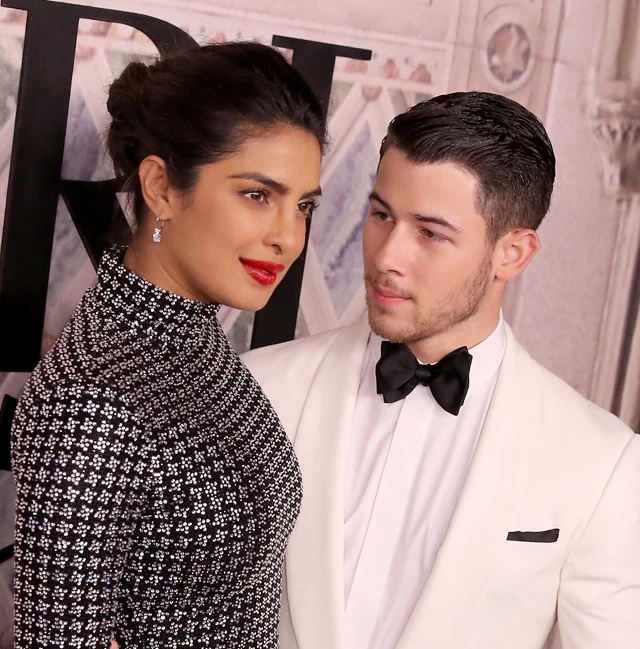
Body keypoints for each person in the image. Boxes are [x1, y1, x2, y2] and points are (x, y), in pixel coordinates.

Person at [242, 91, 640, 649]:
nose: (387, 256)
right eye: (382, 215)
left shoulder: (602, 462)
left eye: (431, 233)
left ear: (513, 254)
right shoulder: (258, 388)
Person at [11, 41, 325, 648]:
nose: (288, 237)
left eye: (304, 205)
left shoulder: (192, 339)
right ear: (160, 187)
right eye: (257, 195)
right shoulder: (91, 398)